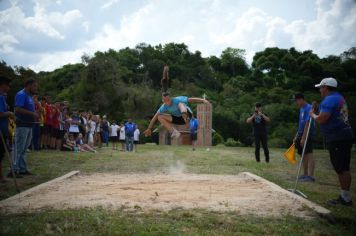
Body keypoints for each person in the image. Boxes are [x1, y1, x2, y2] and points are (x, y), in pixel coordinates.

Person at [310, 77, 354, 206]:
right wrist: (318, 110)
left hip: (337, 137)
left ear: (325, 87)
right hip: (345, 135)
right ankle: (345, 196)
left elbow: (322, 119)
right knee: (344, 167)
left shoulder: (329, 100)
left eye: (321, 87)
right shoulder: (339, 98)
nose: (320, 90)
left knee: (340, 168)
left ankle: (345, 198)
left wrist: (313, 114)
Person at [144, 93, 209, 139]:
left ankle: (185, 117)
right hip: (178, 119)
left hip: (187, 114)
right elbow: (155, 117)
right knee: (159, 117)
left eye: (168, 100)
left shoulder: (177, 99)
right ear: (163, 101)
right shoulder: (164, 106)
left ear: (171, 98)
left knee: (180, 104)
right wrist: (149, 128)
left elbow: (191, 99)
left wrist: (203, 100)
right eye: (165, 101)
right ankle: (174, 132)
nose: (167, 102)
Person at [9, 78, 38, 177]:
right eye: (34, 86)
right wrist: (32, 113)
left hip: (29, 125)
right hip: (22, 125)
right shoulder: (21, 94)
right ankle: (14, 170)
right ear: (28, 85)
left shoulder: (29, 96)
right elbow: (17, 109)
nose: (35, 88)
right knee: (19, 148)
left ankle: (22, 169)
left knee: (25, 148)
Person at [293, 93, 315, 182]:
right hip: (301, 133)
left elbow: (307, 123)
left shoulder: (308, 108)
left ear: (301, 99)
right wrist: (297, 135)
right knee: (303, 154)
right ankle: (305, 174)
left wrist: (304, 137)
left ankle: (311, 176)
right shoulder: (301, 109)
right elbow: (300, 124)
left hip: (308, 133)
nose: (296, 103)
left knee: (309, 154)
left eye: (296, 100)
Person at [0, 76, 14, 181]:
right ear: (3, 85)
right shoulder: (0, 97)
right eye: (8, 85)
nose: (9, 87)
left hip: (4, 128)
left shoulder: (2, 97)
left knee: (1, 154)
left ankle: (1, 177)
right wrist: (9, 113)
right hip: (0, 128)